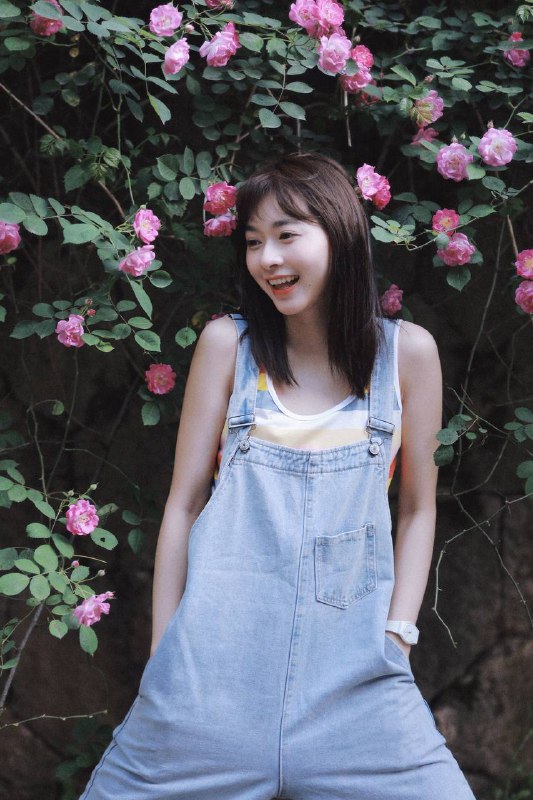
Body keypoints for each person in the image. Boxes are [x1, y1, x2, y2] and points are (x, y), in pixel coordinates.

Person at [80, 152, 476, 799]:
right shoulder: (227, 347)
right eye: (252, 241)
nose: (267, 258)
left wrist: (397, 638)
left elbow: (417, 508)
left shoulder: (408, 356)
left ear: (340, 233)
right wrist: (164, 654)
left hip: (357, 691)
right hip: (206, 688)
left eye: (287, 235)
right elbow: (183, 504)